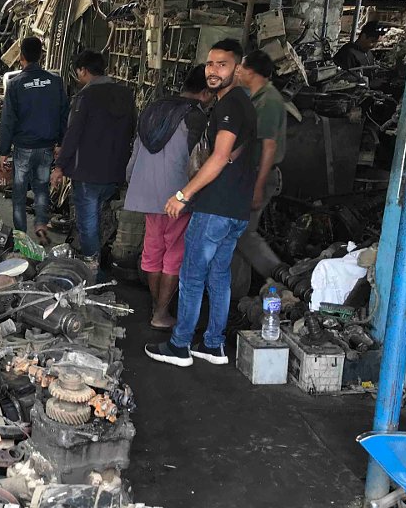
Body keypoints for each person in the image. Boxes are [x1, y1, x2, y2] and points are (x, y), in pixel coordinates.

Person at [145, 39, 258, 367]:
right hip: (234, 210)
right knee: (218, 276)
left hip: (215, 209)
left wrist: (184, 194)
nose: (213, 70)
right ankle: (213, 345)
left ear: (237, 69)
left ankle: (180, 346)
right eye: (210, 64)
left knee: (192, 274)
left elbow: (220, 157)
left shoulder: (228, 106)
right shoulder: (242, 104)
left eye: (222, 65)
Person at [124, 65, 213, 329]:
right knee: (174, 254)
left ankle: (156, 305)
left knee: (152, 251)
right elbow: (201, 161)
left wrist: (132, 181)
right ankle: (161, 313)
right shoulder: (195, 116)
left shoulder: (153, 108)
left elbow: (135, 154)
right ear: (206, 92)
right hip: (179, 194)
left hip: (146, 191)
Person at [51, 49, 135, 275]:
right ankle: (95, 258)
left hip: (88, 171)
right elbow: (131, 131)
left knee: (87, 220)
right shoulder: (126, 94)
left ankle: (91, 269)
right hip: (115, 170)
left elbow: (73, 133)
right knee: (99, 215)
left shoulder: (85, 97)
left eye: (78, 72)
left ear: (83, 70)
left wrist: (59, 166)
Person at [0, 37, 69, 244]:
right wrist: (61, 143)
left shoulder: (15, 84)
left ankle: (21, 236)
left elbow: (8, 120)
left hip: (23, 147)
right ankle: (40, 224)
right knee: (41, 188)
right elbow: (64, 114)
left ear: (21, 57)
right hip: (46, 146)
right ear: (41, 55)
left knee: (19, 193)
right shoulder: (55, 81)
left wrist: (3, 151)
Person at [231, 49, 287, 297]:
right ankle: (236, 290)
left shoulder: (269, 101)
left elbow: (269, 145)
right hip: (248, 174)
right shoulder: (256, 96)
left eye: (240, 67)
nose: (237, 71)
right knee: (236, 233)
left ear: (250, 72)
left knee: (244, 233)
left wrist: (258, 186)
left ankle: (281, 277)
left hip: (259, 175)